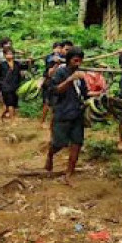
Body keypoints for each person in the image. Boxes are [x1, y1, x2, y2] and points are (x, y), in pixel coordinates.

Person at [45, 47, 88, 186]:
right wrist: (70, 79)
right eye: (76, 60)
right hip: (63, 113)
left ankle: (69, 174)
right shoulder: (61, 72)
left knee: (77, 144)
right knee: (59, 143)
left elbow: (84, 94)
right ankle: (50, 154)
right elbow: (56, 90)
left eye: (80, 60)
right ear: (69, 59)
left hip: (77, 114)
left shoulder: (80, 75)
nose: (78, 63)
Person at [0, 48, 30, 121]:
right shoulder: (2, 65)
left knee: (12, 104)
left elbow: (26, 67)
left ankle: (2, 116)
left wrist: (30, 61)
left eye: (11, 54)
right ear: (5, 55)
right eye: (8, 54)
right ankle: (12, 120)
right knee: (10, 103)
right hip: (6, 87)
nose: (10, 55)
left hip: (15, 86)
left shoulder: (17, 63)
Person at [41, 42, 64, 126]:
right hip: (49, 82)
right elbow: (50, 72)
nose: (58, 50)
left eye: (60, 48)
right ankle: (42, 122)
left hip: (58, 83)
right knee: (47, 103)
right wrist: (57, 64)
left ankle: (52, 124)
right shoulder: (50, 57)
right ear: (53, 49)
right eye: (57, 48)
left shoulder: (63, 58)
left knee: (55, 104)